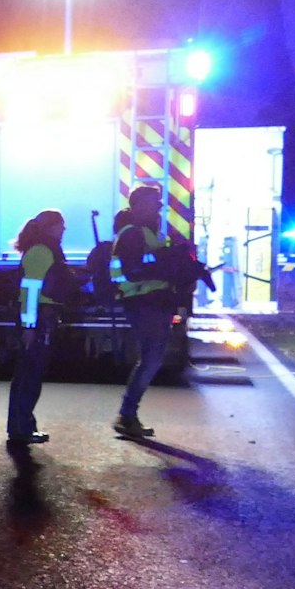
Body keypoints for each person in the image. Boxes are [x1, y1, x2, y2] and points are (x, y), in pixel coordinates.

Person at [112, 185, 178, 438]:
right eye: (153, 202)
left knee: (152, 360)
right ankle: (127, 415)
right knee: (151, 360)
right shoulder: (133, 234)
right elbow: (133, 270)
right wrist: (166, 266)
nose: (159, 206)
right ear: (138, 206)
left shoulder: (150, 233)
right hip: (144, 302)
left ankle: (128, 415)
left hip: (154, 302)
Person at [8, 209, 71, 447]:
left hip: (41, 317)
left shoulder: (43, 250)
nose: (63, 229)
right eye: (60, 225)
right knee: (30, 376)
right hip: (39, 319)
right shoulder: (41, 252)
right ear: (50, 227)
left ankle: (22, 426)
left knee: (29, 374)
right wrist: (29, 326)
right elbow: (30, 292)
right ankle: (21, 428)